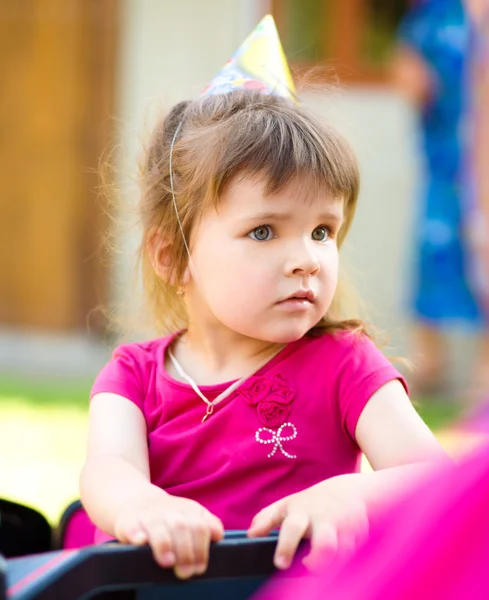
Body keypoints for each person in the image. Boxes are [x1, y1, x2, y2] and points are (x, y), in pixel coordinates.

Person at [80, 15, 447, 581]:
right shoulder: (133, 376)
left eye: (322, 231)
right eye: (264, 231)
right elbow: (108, 472)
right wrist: (144, 507)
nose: (307, 257)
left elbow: (436, 479)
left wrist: (351, 495)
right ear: (173, 257)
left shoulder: (343, 364)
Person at [391, 0, 489, 400]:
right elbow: (409, 81)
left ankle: (484, 378)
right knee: (435, 252)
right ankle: (429, 364)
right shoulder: (433, 14)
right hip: (447, 163)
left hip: (480, 158)